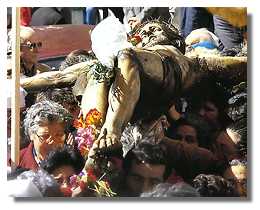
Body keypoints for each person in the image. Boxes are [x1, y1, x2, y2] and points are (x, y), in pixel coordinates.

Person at [17, 100, 73, 170]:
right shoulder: (15, 162)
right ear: (31, 134)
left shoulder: (73, 162)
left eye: (59, 135)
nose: (52, 141)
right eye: (45, 136)